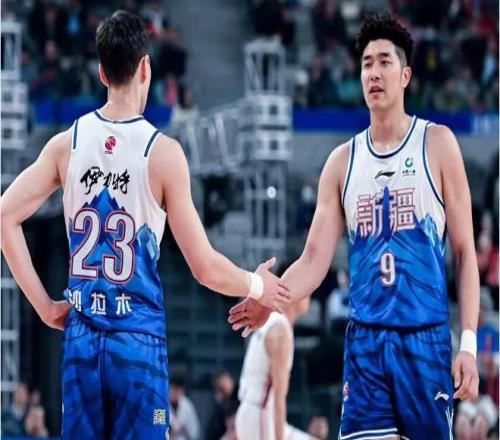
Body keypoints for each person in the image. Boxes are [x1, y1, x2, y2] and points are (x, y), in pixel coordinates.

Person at [0, 10, 290, 440]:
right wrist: (258, 284)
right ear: (146, 68)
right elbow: (204, 268)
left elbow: (5, 216)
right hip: (136, 342)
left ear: (102, 73)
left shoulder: (66, 144)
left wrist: (44, 306)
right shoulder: (163, 153)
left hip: (82, 340)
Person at [229, 12, 480, 439]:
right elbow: (313, 260)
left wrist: (469, 345)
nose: (373, 73)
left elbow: (464, 253)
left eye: (384, 62)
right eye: (366, 64)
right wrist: (271, 298)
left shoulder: (437, 144)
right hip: (366, 344)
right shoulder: (341, 162)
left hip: (424, 339)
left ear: (405, 75)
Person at [235, 298, 316, 440]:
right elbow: (279, 397)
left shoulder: (271, 321)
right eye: (307, 292)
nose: (309, 295)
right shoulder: (280, 331)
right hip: (261, 413)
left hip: (255, 413)